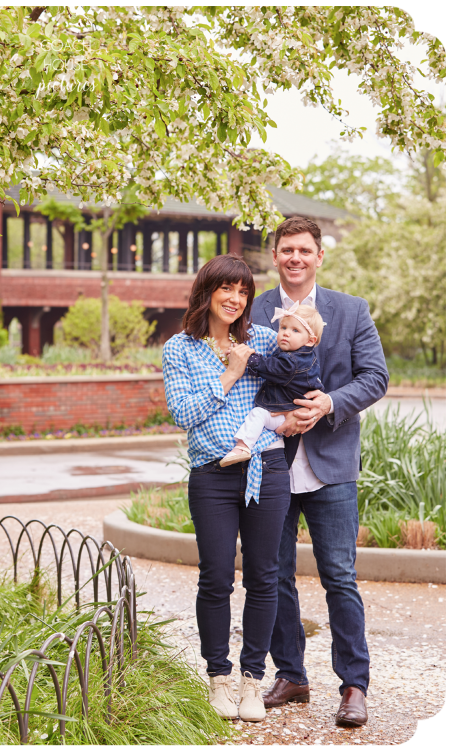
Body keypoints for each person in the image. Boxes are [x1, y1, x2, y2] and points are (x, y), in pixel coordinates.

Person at [251, 216, 389, 727]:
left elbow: (375, 377)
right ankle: (291, 676)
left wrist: (329, 402)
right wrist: (278, 417)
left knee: (340, 577)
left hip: (332, 465)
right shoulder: (256, 311)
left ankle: (354, 686)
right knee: (274, 574)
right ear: (275, 256)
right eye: (286, 249)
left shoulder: (350, 311)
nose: (295, 258)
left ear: (319, 256)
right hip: (272, 462)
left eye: (304, 250)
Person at [162, 254, 291, 723]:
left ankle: (252, 681)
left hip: (268, 469)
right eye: (226, 289)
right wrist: (232, 373)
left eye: (243, 291)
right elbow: (183, 414)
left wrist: (300, 407)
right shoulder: (180, 349)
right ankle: (218, 678)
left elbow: (293, 380)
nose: (235, 299)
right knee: (216, 576)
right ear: (207, 291)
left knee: (264, 575)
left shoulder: (261, 340)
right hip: (212, 474)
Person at [220, 303, 325, 467]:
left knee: (259, 414)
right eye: (283, 327)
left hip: (287, 414)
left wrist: (247, 357)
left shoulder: (292, 362)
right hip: (292, 409)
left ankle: (243, 447)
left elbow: (269, 367)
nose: (286, 334)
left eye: (295, 330)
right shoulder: (303, 357)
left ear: (311, 340)